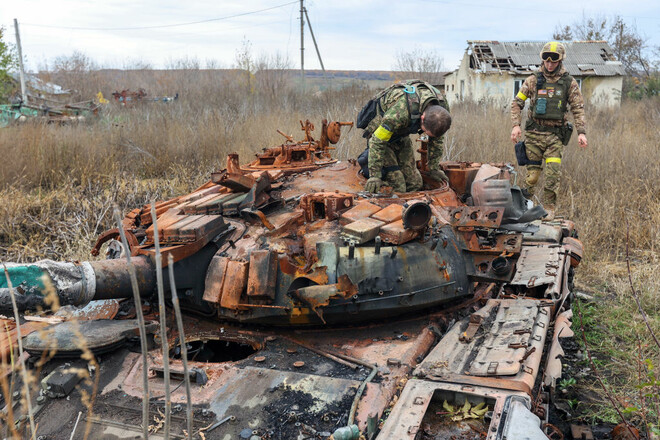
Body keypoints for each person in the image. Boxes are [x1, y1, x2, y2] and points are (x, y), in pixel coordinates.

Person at [511, 41, 588, 220]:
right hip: (533, 136)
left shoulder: (569, 82)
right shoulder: (532, 80)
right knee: (532, 177)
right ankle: (523, 207)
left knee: (553, 175)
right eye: (546, 60)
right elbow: (517, 103)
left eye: (554, 60)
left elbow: (578, 107)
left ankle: (548, 209)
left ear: (560, 60)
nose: (550, 64)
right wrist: (515, 125)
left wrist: (581, 132)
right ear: (543, 60)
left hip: (555, 136)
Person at [361, 80, 451, 194]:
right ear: (422, 118)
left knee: (415, 183)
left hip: (401, 135)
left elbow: (437, 140)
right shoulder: (399, 113)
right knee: (398, 185)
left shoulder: (442, 111)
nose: (427, 136)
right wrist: (375, 176)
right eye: (425, 132)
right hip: (381, 136)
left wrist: (433, 168)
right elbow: (377, 141)